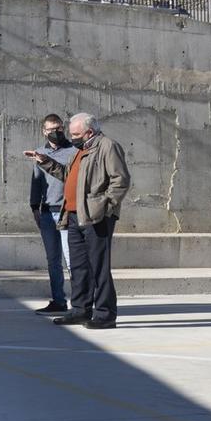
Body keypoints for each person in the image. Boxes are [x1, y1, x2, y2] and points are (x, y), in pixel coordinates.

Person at [23, 113, 130, 329]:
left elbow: (121, 180)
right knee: (79, 267)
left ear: (89, 132)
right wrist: (46, 162)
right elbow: (67, 175)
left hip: (96, 216)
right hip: (73, 216)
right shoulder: (79, 151)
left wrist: (104, 207)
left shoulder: (107, 147)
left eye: (76, 134)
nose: (71, 138)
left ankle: (105, 314)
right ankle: (81, 310)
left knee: (99, 267)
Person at [29, 114, 75, 316]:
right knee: (53, 260)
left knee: (72, 260)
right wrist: (34, 207)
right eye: (50, 129)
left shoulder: (73, 151)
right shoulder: (39, 153)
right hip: (47, 213)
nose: (55, 132)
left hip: (67, 212)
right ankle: (58, 300)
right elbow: (36, 181)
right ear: (43, 131)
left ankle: (82, 302)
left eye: (58, 128)